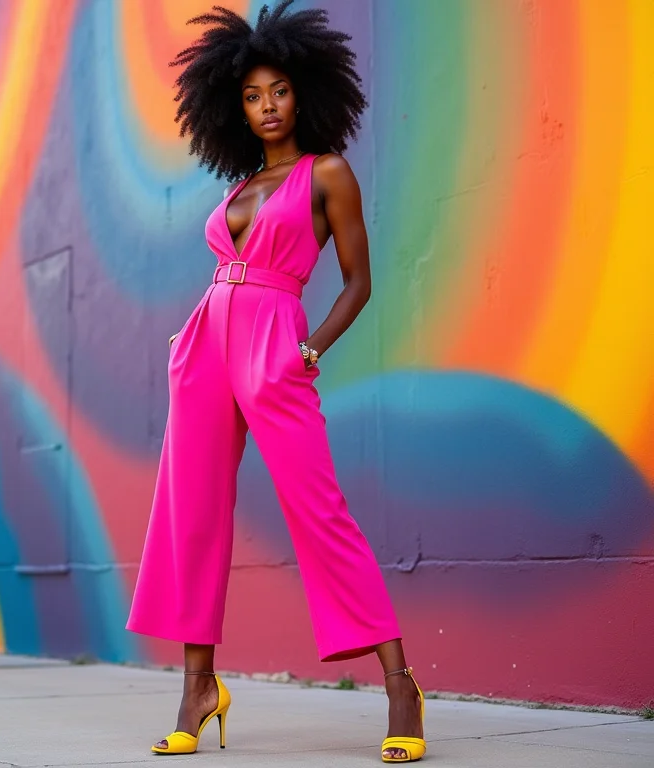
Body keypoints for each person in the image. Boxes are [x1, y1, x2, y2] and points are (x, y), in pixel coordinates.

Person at [126, 1, 425, 762]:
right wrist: (194, 331)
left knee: (318, 509)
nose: (266, 107)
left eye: (279, 91)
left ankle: (400, 685)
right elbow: (228, 271)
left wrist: (310, 350)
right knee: (191, 511)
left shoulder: (327, 174)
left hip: (276, 345)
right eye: (253, 96)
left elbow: (357, 283)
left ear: (306, 93)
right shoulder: (240, 185)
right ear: (236, 106)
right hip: (204, 349)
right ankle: (198, 688)